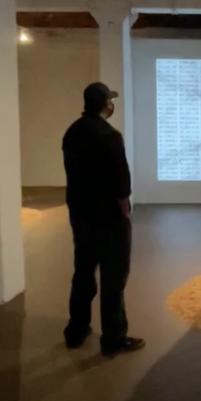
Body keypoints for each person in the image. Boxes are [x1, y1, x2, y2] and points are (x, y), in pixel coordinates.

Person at [62, 82, 144, 356]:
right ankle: (113, 337)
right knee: (113, 278)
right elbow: (122, 179)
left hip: (81, 216)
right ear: (105, 104)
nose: (113, 104)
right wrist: (124, 209)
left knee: (83, 272)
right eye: (110, 99)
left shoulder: (72, 132)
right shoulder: (109, 135)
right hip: (108, 218)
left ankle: (76, 329)